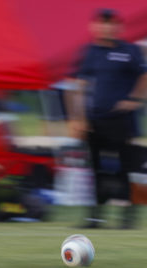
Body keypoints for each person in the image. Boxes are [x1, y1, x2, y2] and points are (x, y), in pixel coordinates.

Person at [67, 8, 147, 229]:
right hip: (95, 121)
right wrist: (78, 119)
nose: (107, 27)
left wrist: (134, 99)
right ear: (94, 27)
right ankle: (95, 217)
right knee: (96, 170)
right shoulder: (90, 52)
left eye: (111, 24)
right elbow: (79, 86)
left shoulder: (130, 50)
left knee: (126, 169)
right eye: (102, 23)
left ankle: (128, 218)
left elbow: (144, 75)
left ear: (118, 27)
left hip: (123, 120)